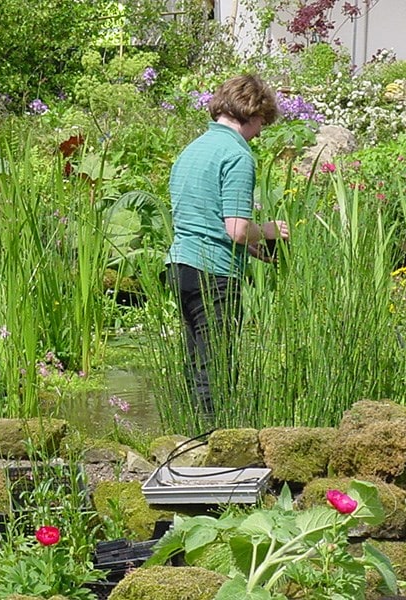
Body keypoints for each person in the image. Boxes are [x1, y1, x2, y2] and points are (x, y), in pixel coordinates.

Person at [164, 73, 289, 423]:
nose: (262, 130)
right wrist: (267, 231)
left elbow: (203, 218)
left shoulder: (191, 150)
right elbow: (235, 229)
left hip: (180, 266)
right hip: (213, 273)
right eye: (263, 121)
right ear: (252, 113)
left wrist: (251, 250)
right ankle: (216, 442)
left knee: (196, 361)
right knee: (217, 366)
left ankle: (189, 435)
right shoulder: (238, 154)